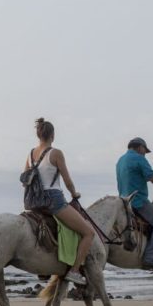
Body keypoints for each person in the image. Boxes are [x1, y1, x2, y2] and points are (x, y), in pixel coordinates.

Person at [26, 118, 95, 285]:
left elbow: (24, 180)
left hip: (34, 203)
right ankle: (75, 271)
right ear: (53, 135)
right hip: (53, 200)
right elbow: (67, 180)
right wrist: (74, 194)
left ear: (38, 135)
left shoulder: (30, 154)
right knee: (88, 233)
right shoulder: (55, 153)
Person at [116, 137, 153, 270]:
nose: (145, 153)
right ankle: (151, 258)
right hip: (138, 201)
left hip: (123, 202)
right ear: (139, 147)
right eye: (145, 150)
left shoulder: (120, 160)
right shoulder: (140, 158)